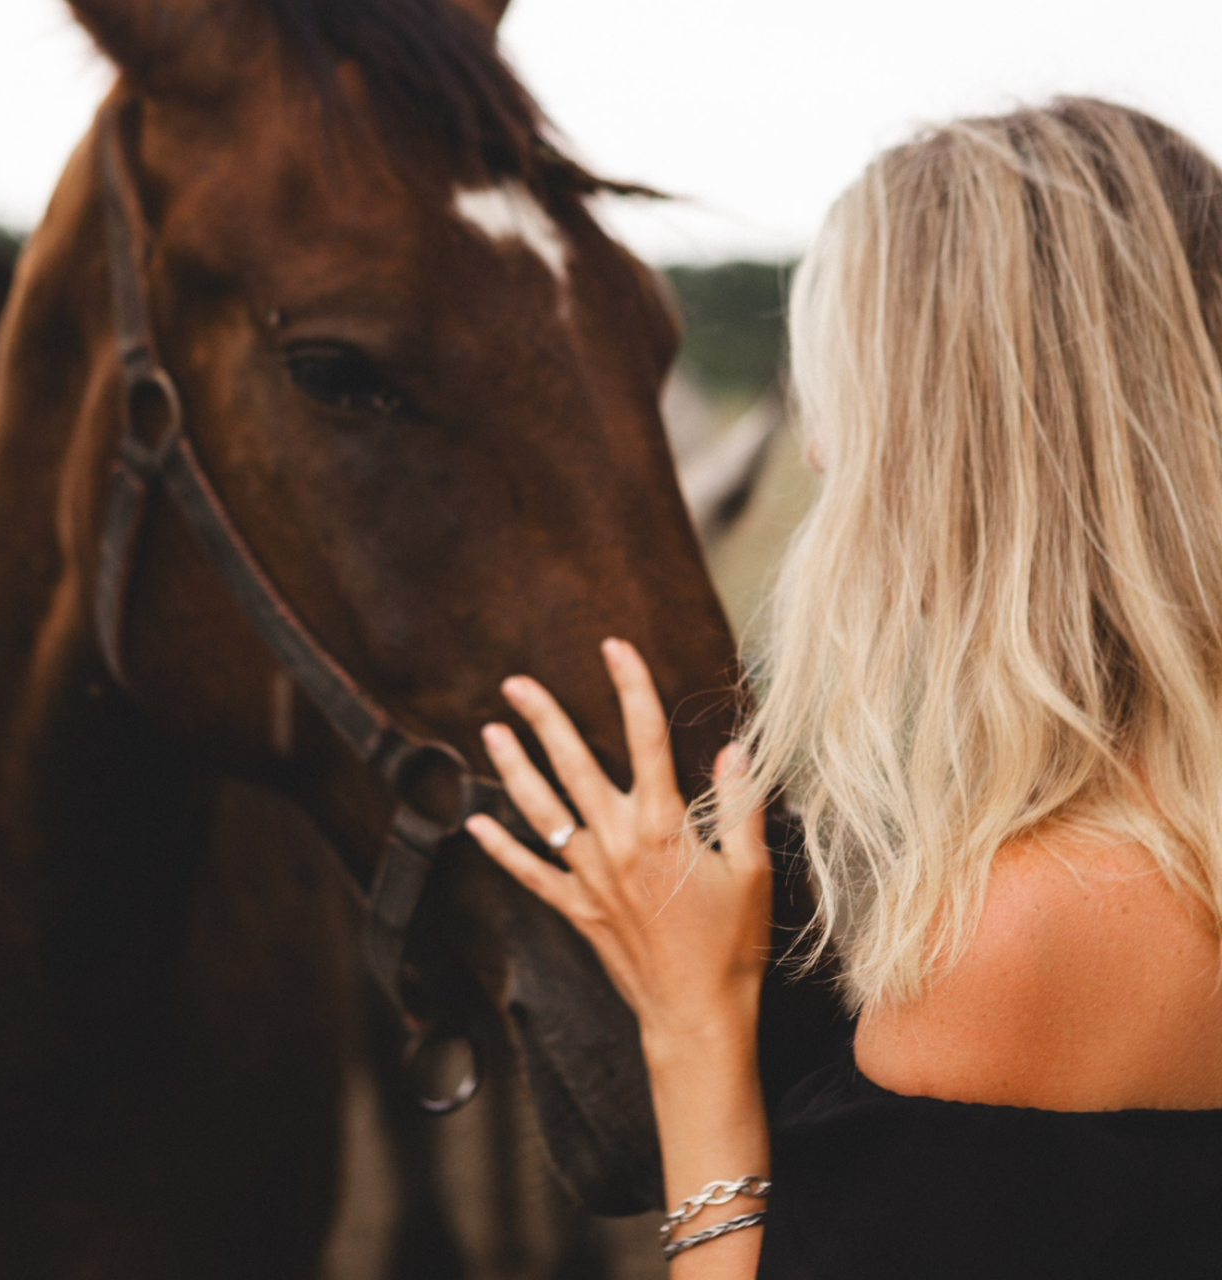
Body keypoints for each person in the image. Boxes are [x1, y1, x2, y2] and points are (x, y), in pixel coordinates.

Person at [466, 97, 1222, 1278]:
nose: (819, 454)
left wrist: (689, 1017)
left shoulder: (1031, 930)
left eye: (848, 397)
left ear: (966, 434)